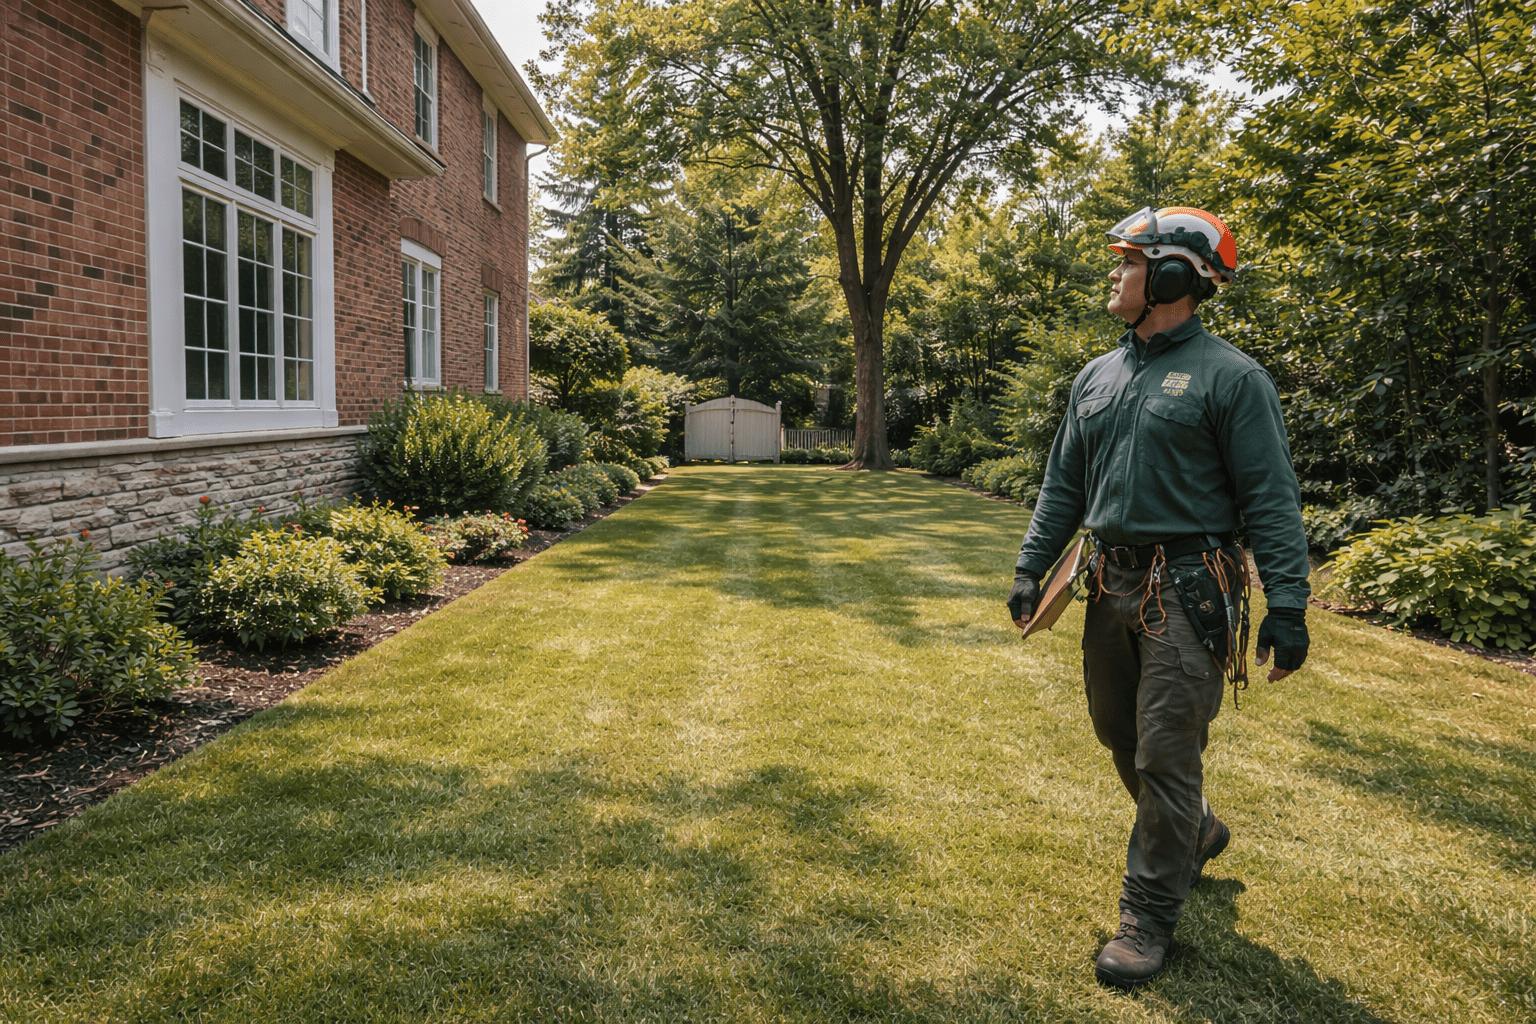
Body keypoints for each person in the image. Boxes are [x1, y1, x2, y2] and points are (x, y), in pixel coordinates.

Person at [1005, 207, 1312, 991]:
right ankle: (1196, 829)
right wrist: (1031, 567)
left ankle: (1146, 916)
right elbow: (1063, 484)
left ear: (1174, 276)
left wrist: (1288, 605)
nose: (1115, 274)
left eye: (1129, 262)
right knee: (1115, 732)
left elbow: (1271, 499)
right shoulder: (1097, 376)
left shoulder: (1233, 379)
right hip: (1106, 579)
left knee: (1166, 751)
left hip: (1188, 588)